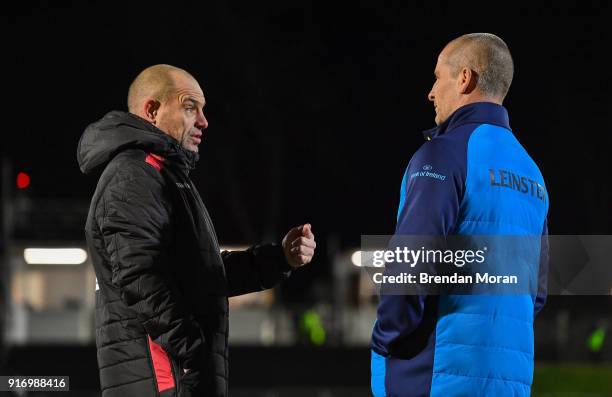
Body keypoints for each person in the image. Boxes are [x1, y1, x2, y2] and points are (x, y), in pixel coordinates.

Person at [77, 64, 316, 397]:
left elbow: (203, 276)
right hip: (165, 381)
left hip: (179, 378)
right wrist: (191, 351)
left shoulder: (165, 176)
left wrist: (279, 259)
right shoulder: (134, 175)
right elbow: (139, 278)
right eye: (190, 107)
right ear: (152, 110)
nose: (203, 121)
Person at [370, 34, 549, 396]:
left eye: (438, 77)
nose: (431, 92)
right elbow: (537, 292)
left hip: (435, 376)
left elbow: (411, 264)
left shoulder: (444, 155)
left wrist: (385, 340)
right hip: (510, 382)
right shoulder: (532, 172)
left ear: (465, 78)